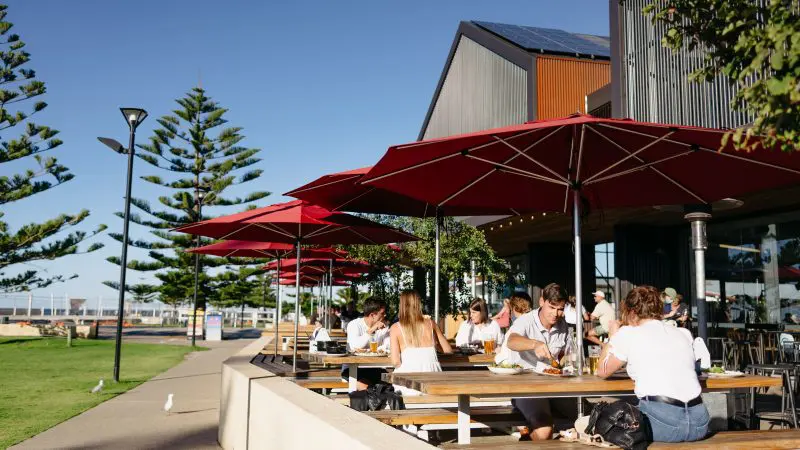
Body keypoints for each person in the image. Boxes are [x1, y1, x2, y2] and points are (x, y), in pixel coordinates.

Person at [597, 286, 710, 443]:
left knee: (600, 422)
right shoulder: (683, 333)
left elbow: (602, 371)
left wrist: (613, 336)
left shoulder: (628, 333)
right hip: (700, 423)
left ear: (631, 312)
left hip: (663, 424)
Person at [507, 283, 575, 441]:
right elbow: (512, 341)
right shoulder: (525, 320)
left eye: (560, 308)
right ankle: (529, 439)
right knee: (545, 431)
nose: (556, 313)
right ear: (541, 301)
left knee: (592, 416)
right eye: (552, 307)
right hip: (526, 387)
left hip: (555, 386)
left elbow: (563, 357)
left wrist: (568, 360)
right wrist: (534, 344)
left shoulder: (563, 325)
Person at [390, 290, 452, 395]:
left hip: (409, 385)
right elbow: (448, 350)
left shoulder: (396, 327)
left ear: (402, 305)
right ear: (418, 304)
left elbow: (395, 361)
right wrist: (434, 346)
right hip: (434, 381)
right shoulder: (431, 324)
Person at [345, 297, 390, 390]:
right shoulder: (354, 324)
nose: (385, 315)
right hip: (353, 368)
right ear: (372, 315)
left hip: (375, 367)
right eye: (382, 313)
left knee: (390, 388)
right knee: (369, 389)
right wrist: (371, 330)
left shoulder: (384, 326)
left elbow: (388, 346)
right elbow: (355, 346)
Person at [494, 292, 534, 367]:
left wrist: (498, 354)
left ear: (514, 308)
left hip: (517, 370)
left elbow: (506, 358)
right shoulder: (535, 322)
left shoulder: (516, 326)